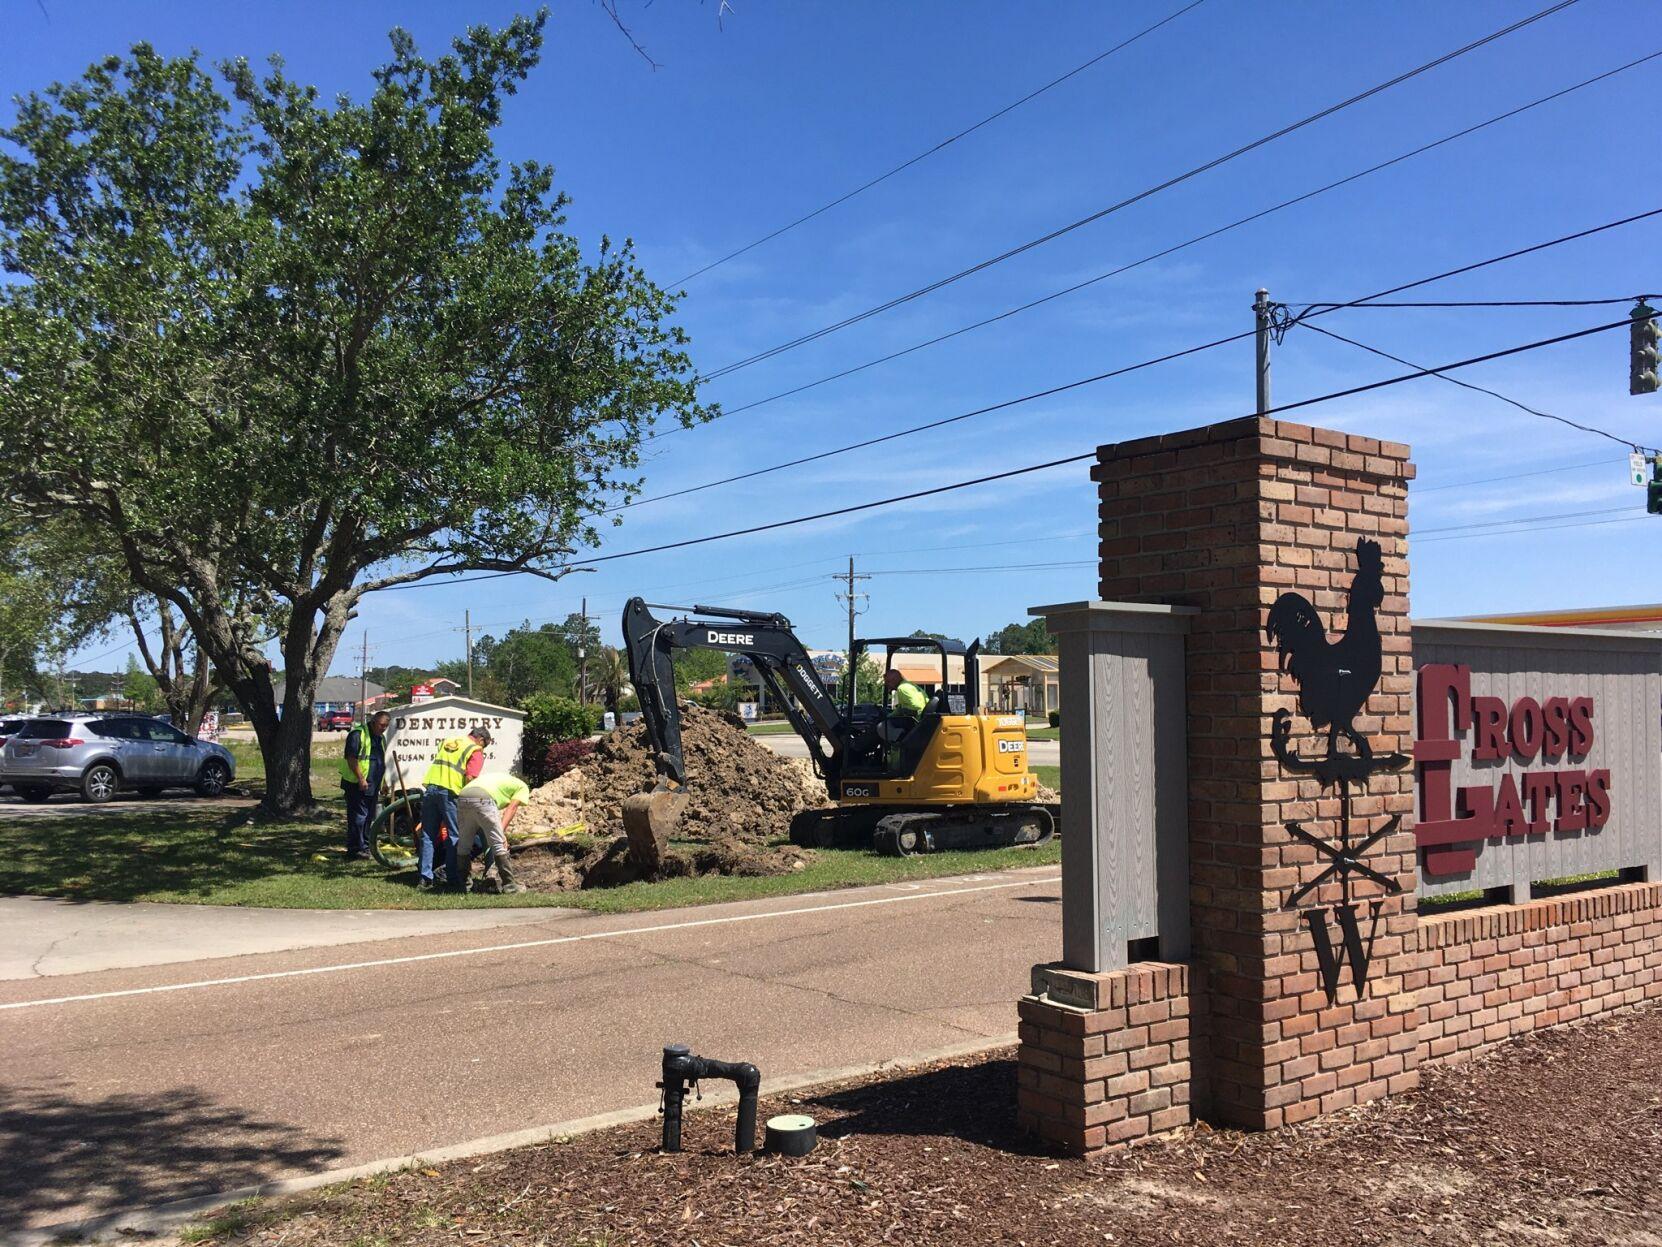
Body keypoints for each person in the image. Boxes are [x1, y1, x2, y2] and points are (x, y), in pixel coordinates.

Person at [418, 724, 491, 890]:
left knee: (428, 835)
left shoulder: (449, 740)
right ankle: (452, 877)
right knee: (454, 836)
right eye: (484, 745)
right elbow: (471, 778)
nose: (483, 748)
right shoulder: (475, 750)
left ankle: (425, 878)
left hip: (430, 789)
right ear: (480, 740)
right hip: (450, 793)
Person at [455, 770, 531, 894]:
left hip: (463, 796)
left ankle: (464, 886)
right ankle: (510, 887)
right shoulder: (522, 787)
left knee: (464, 844)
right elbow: (511, 808)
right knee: (499, 845)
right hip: (483, 798)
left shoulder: (497, 778)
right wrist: (501, 834)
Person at [340, 710, 390, 860]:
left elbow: (381, 762)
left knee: (368, 817)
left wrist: (384, 782)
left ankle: (365, 846)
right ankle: (355, 849)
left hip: (373, 785)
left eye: (386, 726)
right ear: (374, 722)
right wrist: (361, 779)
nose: (383, 728)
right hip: (356, 784)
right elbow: (351, 759)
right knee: (358, 817)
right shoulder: (357, 735)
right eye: (381, 725)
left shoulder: (381, 739)